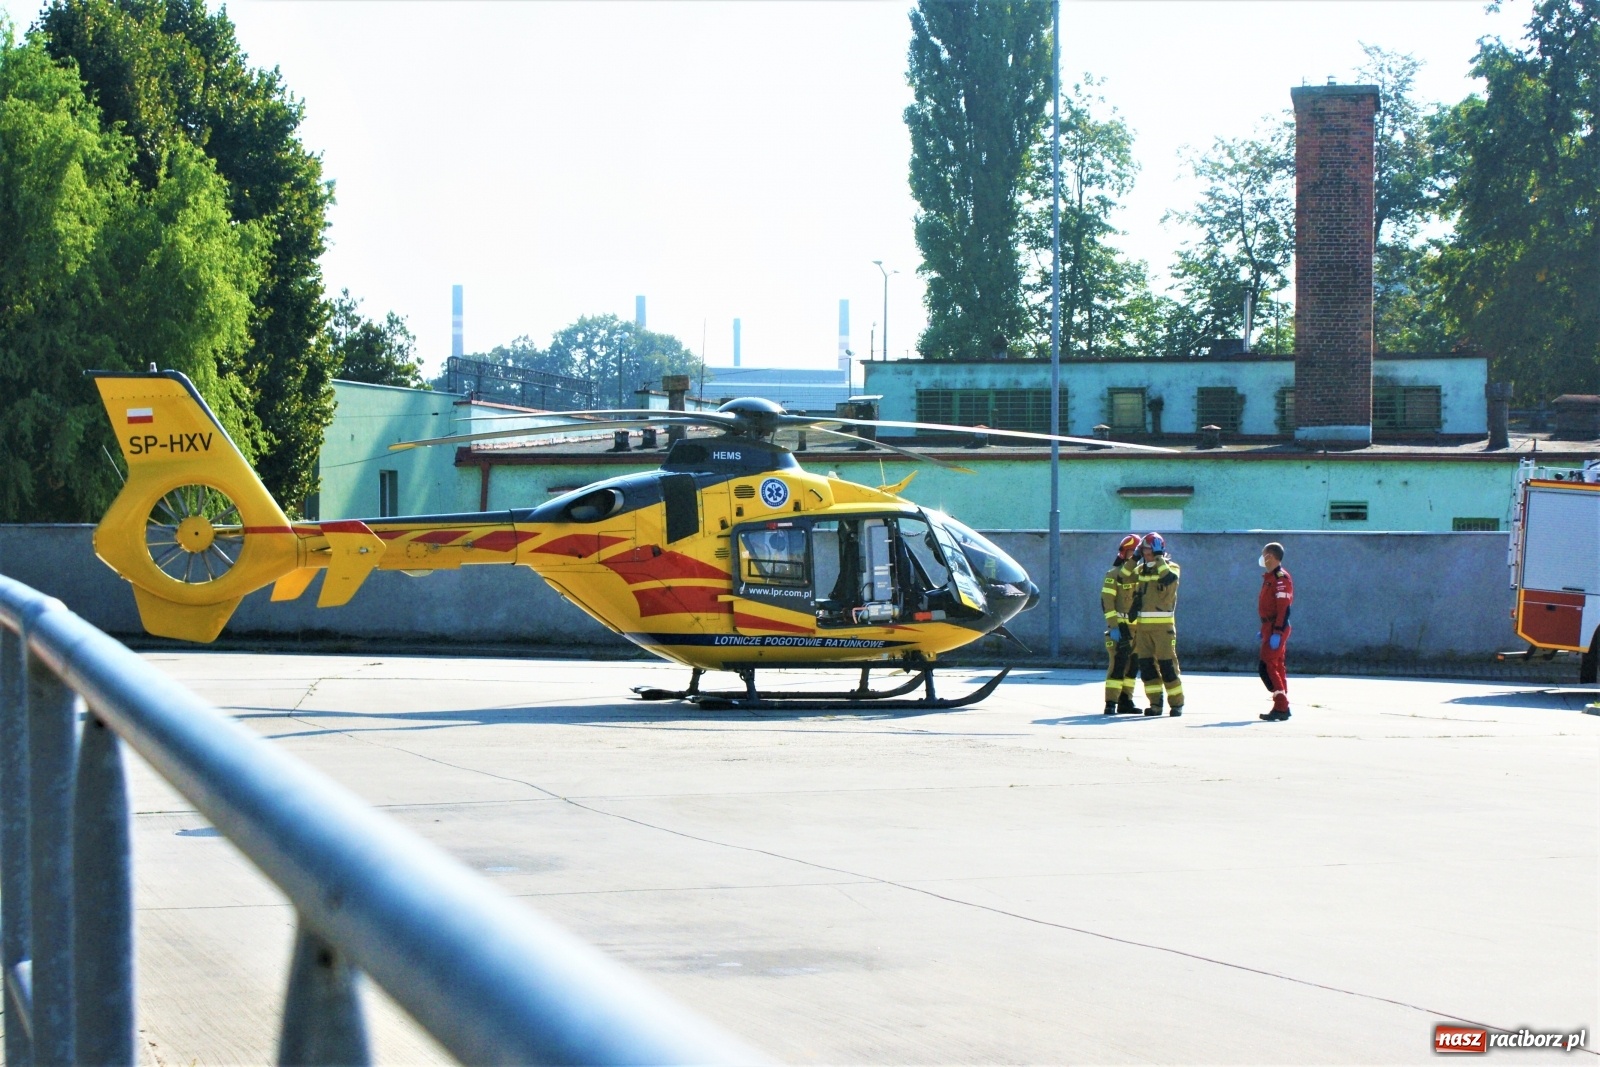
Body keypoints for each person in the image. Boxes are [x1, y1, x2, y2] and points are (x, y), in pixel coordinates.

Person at [1130, 532, 1183, 716]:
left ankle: (1176, 704)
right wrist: (1133, 558)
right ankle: (1155, 705)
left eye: (1148, 549)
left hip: (1163, 629)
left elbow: (1167, 579)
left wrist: (1159, 559)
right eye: (1143, 550)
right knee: (1147, 668)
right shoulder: (1141, 570)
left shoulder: (1172, 567)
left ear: (1158, 550)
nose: (1145, 553)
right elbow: (1124, 576)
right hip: (1143, 629)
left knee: (1167, 666)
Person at [1100, 534, 1141, 714]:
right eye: (1132, 553)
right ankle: (1110, 702)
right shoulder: (1113, 575)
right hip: (1120, 629)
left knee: (1132, 667)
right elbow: (1107, 602)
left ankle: (1126, 700)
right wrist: (1114, 626)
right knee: (1117, 665)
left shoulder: (1143, 575)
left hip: (1138, 630)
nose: (1136, 558)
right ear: (1124, 554)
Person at [1257, 541, 1294, 721]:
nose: (1262, 558)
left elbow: (1283, 608)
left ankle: (1281, 706)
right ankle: (1282, 704)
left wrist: (1277, 632)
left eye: (1264, 554)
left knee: (1268, 666)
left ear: (1270, 557)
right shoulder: (1270, 577)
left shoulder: (1281, 578)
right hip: (1269, 627)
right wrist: (1264, 630)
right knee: (1277, 666)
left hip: (1276, 628)